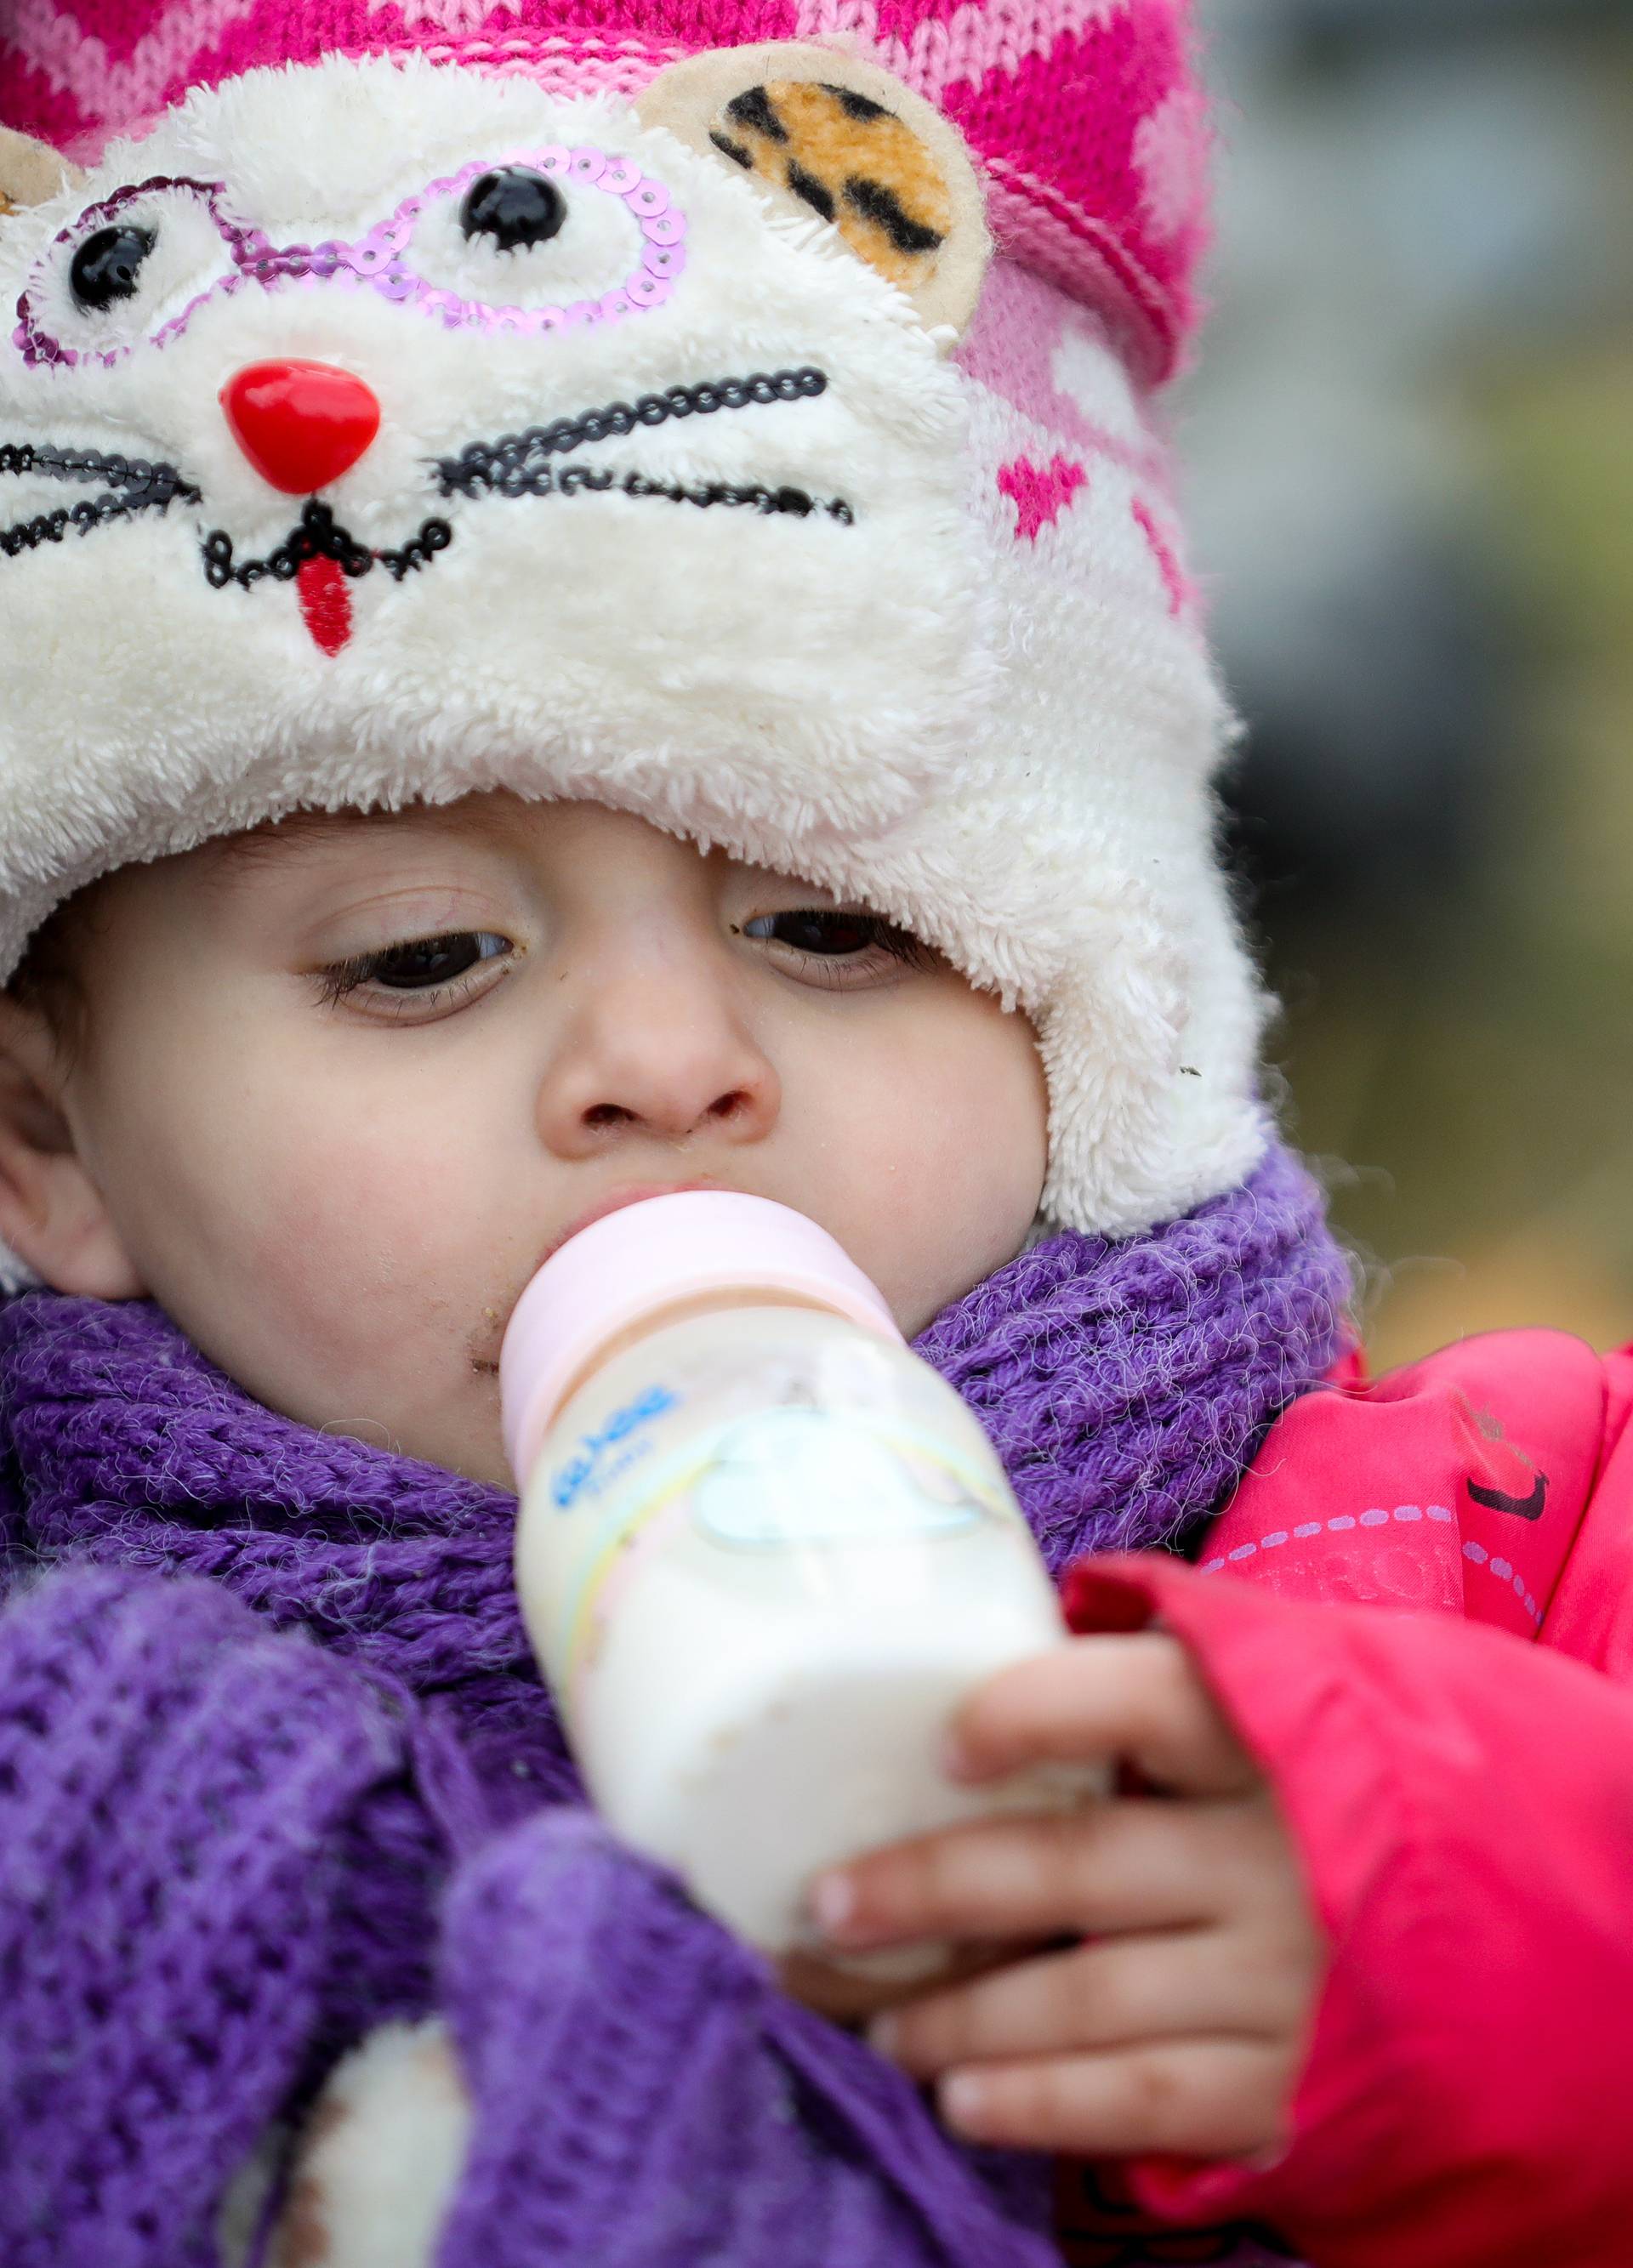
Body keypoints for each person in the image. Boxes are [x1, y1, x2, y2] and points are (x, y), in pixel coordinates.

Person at [0, 4, 1560, 2265]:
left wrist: (1438, 1934)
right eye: (423, 957)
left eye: (839, 922)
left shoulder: (1460, 1558)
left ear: (1079, 1005)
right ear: (50, 1144)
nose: (667, 1059)